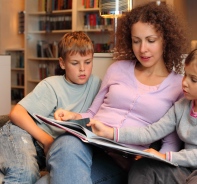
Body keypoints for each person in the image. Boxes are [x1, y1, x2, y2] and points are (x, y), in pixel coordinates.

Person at [37, 2, 188, 184]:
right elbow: (92, 114)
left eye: (151, 40)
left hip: (121, 160)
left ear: (165, 39)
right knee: (67, 143)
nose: (142, 49)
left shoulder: (179, 86)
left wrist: (148, 163)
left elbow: (170, 143)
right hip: (88, 143)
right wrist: (73, 116)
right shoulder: (117, 69)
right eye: (136, 41)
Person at [0, 31, 101, 184]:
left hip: (52, 150)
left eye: (88, 62)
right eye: (75, 63)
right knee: (25, 174)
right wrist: (47, 141)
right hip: (23, 134)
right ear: (62, 63)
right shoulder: (52, 84)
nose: (82, 69)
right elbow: (16, 113)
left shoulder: (97, 85)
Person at [87, 48, 197, 184]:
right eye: (185, 75)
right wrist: (110, 132)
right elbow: (151, 132)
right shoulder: (181, 107)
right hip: (184, 169)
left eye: (194, 79)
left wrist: (164, 156)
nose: (185, 82)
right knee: (142, 167)